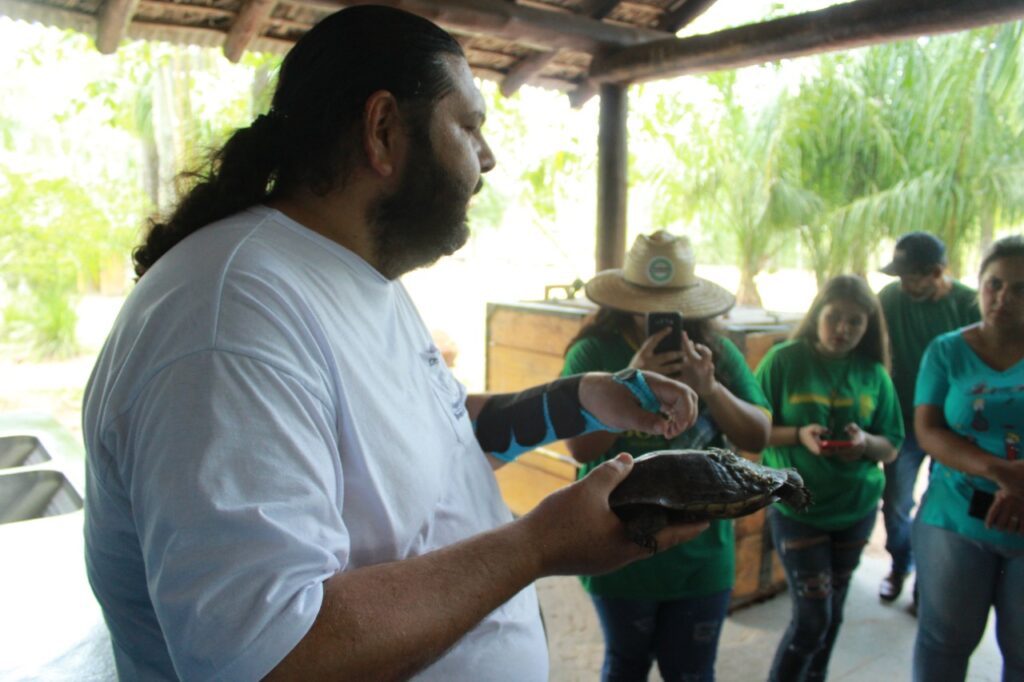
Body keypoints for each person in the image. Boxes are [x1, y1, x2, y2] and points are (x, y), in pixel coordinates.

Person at [80, 8, 710, 680]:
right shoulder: (230, 318)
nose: (487, 157)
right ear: (383, 132)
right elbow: (271, 655)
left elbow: (437, 437)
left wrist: (580, 400)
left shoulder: (354, 276)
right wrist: (538, 546)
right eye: (468, 126)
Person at [561, 231, 772, 682]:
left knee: (692, 673)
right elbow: (579, 448)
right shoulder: (593, 353)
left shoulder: (713, 354)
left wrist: (711, 388)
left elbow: (758, 434)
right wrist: (629, 381)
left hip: (703, 553)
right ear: (624, 299)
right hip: (618, 547)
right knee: (626, 665)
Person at [755, 275, 904, 682]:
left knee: (833, 611)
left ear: (867, 328)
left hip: (855, 509)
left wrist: (865, 443)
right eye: (835, 317)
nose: (843, 329)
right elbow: (752, 431)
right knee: (813, 617)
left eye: (855, 322)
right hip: (797, 507)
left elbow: (890, 445)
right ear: (816, 314)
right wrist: (799, 435)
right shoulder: (783, 361)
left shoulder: (873, 372)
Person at [911, 235, 1024, 682]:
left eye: (1020, 289)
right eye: (994, 284)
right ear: (978, 286)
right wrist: (1003, 474)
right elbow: (928, 430)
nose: (1003, 298)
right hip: (955, 517)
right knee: (943, 643)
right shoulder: (946, 350)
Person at [876, 231, 980, 604]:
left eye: (913, 276)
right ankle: (900, 564)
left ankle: (927, 580)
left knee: (940, 504)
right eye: (900, 276)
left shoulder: (969, 305)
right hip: (902, 421)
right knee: (897, 503)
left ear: (937, 272)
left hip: (954, 428)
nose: (904, 284)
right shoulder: (889, 299)